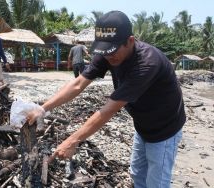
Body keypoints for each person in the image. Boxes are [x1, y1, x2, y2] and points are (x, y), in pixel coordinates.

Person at [27, 11, 185, 188]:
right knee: (137, 172)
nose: (109, 57)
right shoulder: (107, 51)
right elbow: (78, 84)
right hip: (142, 123)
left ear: (130, 41)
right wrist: (43, 108)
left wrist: (73, 141)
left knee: (157, 182)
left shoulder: (147, 62)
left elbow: (109, 109)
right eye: (105, 51)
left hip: (165, 128)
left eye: (113, 51)